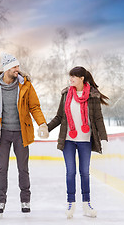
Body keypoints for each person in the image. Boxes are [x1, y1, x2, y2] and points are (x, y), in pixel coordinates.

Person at [0, 53, 49, 214]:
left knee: (23, 168)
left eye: (18, 66)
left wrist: (42, 124)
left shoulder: (25, 85)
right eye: (15, 67)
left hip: (21, 133)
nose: (18, 69)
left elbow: (35, 107)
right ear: (7, 69)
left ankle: (25, 200)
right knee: (2, 168)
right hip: (2, 134)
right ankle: (0, 201)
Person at [47, 66, 108, 219]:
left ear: (82, 78)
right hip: (68, 140)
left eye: (74, 76)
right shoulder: (66, 94)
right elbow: (60, 116)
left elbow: (98, 119)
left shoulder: (93, 96)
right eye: (70, 76)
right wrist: (46, 128)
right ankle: (70, 203)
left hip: (85, 141)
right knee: (70, 172)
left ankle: (86, 204)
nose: (71, 79)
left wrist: (104, 138)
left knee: (85, 173)